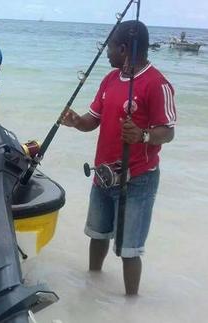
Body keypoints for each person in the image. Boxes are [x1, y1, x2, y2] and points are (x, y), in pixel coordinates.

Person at [61, 20, 176, 295]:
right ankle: (91, 288)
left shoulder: (157, 84)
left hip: (138, 179)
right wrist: (76, 121)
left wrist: (143, 135)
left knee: (129, 249)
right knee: (97, 235)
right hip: (103, 174)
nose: (107, 52)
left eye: (109, 47)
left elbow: (168, 132)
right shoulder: (110, 80)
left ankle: (130, 304)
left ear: (123, 49)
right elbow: (93, 120)